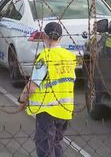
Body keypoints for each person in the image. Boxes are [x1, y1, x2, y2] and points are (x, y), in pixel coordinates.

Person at [17, 22, 77, 157]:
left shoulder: (44, 57)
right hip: (65, 109)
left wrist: (21, 101)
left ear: (44, 36)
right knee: (56, 144)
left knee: (45, 146)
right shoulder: (70, 57)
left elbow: (32, 87)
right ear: (60, 38)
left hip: (47, 111)